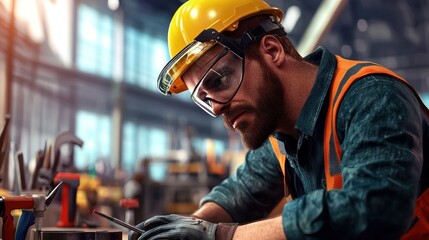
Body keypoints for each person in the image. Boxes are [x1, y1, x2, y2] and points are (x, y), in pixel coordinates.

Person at [130, 0, 429, 239]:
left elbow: (375, 209)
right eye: (205, 98)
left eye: (219, 80)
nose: (217, 108)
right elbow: (242, 192)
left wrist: (220, 236)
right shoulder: (282, 131)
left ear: (271, 50)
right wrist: (188, 227)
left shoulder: (371, 98)